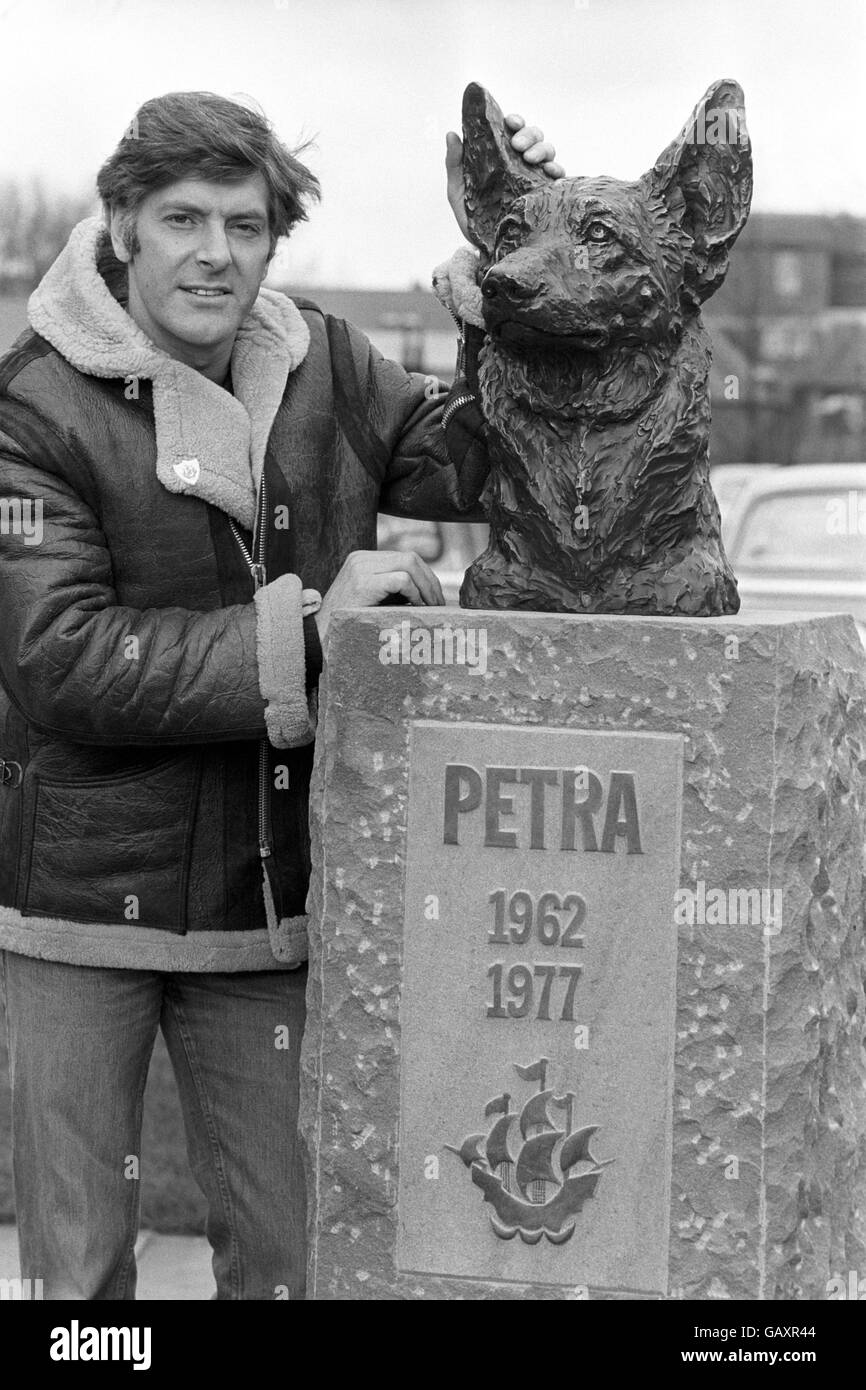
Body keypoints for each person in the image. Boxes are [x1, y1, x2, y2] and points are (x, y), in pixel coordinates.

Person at [0, 91, 561, 1300]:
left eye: (244, 226)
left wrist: (512, 297)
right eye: (182, 219)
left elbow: (478, 462)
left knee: (293, 1261)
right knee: (84, 1276)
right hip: (82, 909)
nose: (215, 253)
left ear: (273, 238)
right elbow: (63, 658)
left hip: (273, 899)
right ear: (120, 225)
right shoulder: (28, 406)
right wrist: (314, 624)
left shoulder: (326, 361)